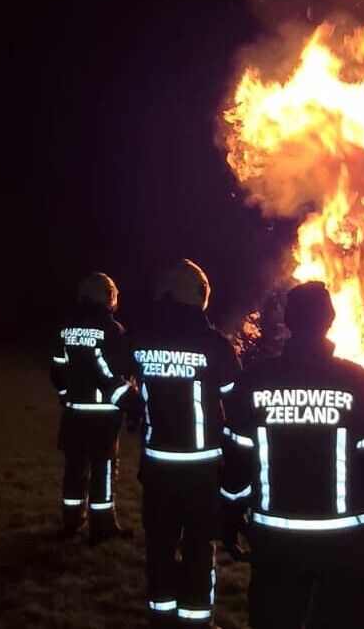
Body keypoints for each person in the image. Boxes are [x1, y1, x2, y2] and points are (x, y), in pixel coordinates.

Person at [220, 281, 364, 629]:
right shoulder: (359, 382)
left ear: (288, 320)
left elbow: (237, 458)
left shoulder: (256, 379)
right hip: (345, 542)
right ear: (330, 319)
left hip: (275, 539)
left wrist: (230, 515)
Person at [122, 260, 241, 628]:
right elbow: (235, 399)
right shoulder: (215, 344)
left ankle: (161, 618)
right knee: (199, 547)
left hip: (156, 466)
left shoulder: (141, 338)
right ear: (200, 297)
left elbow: (106, 368)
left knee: (159, 545)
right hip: (202, 470)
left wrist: (128, 401)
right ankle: (196, 620)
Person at [50, 272, 135, 542]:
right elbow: (118, 373)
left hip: (73, 412)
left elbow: (58, 369)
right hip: (103, 415)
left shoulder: (66, 329)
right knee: (103, 469)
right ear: (109, 297)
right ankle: (103, 525)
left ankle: (72, 520)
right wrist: (132, 402)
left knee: (74, 468)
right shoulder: (113, 331)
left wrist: (66, 395)